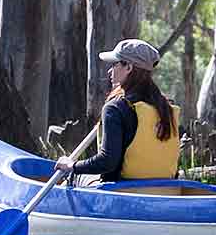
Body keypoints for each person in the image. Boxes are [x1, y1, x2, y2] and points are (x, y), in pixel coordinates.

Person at [73, 38, 182, 186]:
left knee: (74, 176)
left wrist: (72, 166)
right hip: (165, 189)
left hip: (122, 190)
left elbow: (107, 162)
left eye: (114, 64)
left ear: (129, 67)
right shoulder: (166, 108)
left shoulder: (115, 108)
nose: (110, 70)